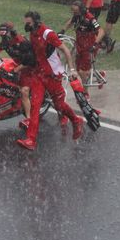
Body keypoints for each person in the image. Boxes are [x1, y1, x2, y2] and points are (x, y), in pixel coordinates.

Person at [17, 11, 83, 151]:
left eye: (28, 23)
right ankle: (31, 139)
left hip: (53, 75)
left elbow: (65, 49)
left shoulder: (47, 33)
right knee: (35, 105)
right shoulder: (32, 34)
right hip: (39, 75)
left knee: (59, 105)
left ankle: (76, 120)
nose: (26, 25)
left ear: (35, 21)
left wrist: (71, 70)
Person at [0, 21, 36, 128]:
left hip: (29, 67)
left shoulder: (22, 42)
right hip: (18, 65)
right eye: (1, 35)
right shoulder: (4, 42)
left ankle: (29, 119)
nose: (3, 38)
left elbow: (31, 60)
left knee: (24, 91)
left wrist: (16, 70)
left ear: (10, 32)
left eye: (4, 35)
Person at [61, 1, 104, 89]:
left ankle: (85, 93)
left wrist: (95, 44)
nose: (74, 13)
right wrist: (62, 30)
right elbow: (70, 22)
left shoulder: (90, 18)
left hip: (89, 47)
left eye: (75, 11)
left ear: (81, 10)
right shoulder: (76, 17)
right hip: (80, 46)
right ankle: (100, 75)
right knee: (79, 69)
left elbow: (101, 31)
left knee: (83, 71)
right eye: (73, 11)